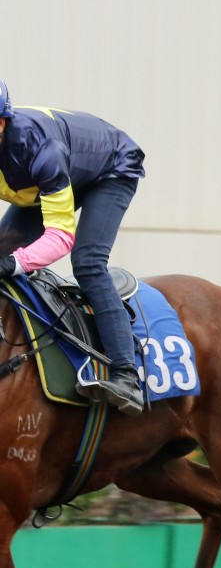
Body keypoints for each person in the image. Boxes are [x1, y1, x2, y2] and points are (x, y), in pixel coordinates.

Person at [0, 79, 147, 414]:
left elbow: (61, 238)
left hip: (108, 169)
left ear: (2, 123)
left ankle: (126, 375)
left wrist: (15, 262)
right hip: (46, 179)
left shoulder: (39, 148)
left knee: (88, 261)